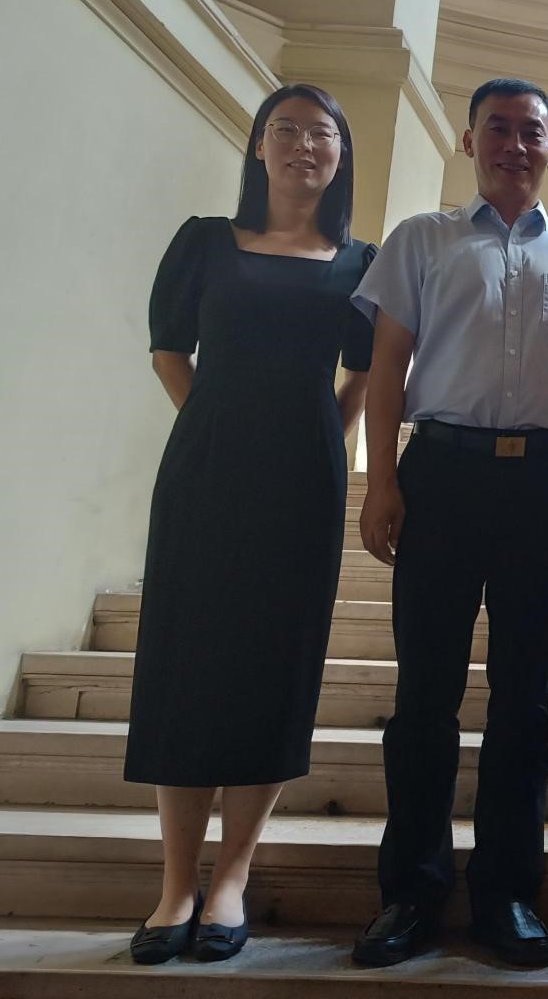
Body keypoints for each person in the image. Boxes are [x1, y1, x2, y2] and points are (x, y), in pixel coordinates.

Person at [348, 78, 548, 969]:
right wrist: (380, 479)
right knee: (425, 696)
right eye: (496, 128)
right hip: (443, 476)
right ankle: (412, 892)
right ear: (469, 142)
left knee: (525, 702)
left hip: (545, 482)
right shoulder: (421, 240)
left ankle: (506, 893)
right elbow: (388, 366)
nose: (514, 143)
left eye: (531, 130)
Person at [124, 83, 376, 965]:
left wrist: (321, 433)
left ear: (342, 154)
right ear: (259, 148)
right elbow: (167, 344)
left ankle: (231, 877)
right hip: (204, 475)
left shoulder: (359, 262)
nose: (304, 144)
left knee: (276, 665)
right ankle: (173, 886)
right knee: (186, 662)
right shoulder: (205, 241)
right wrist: (214, 419)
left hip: (302, 482)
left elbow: (371, 372)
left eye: (322, 133)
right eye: (287, 130)